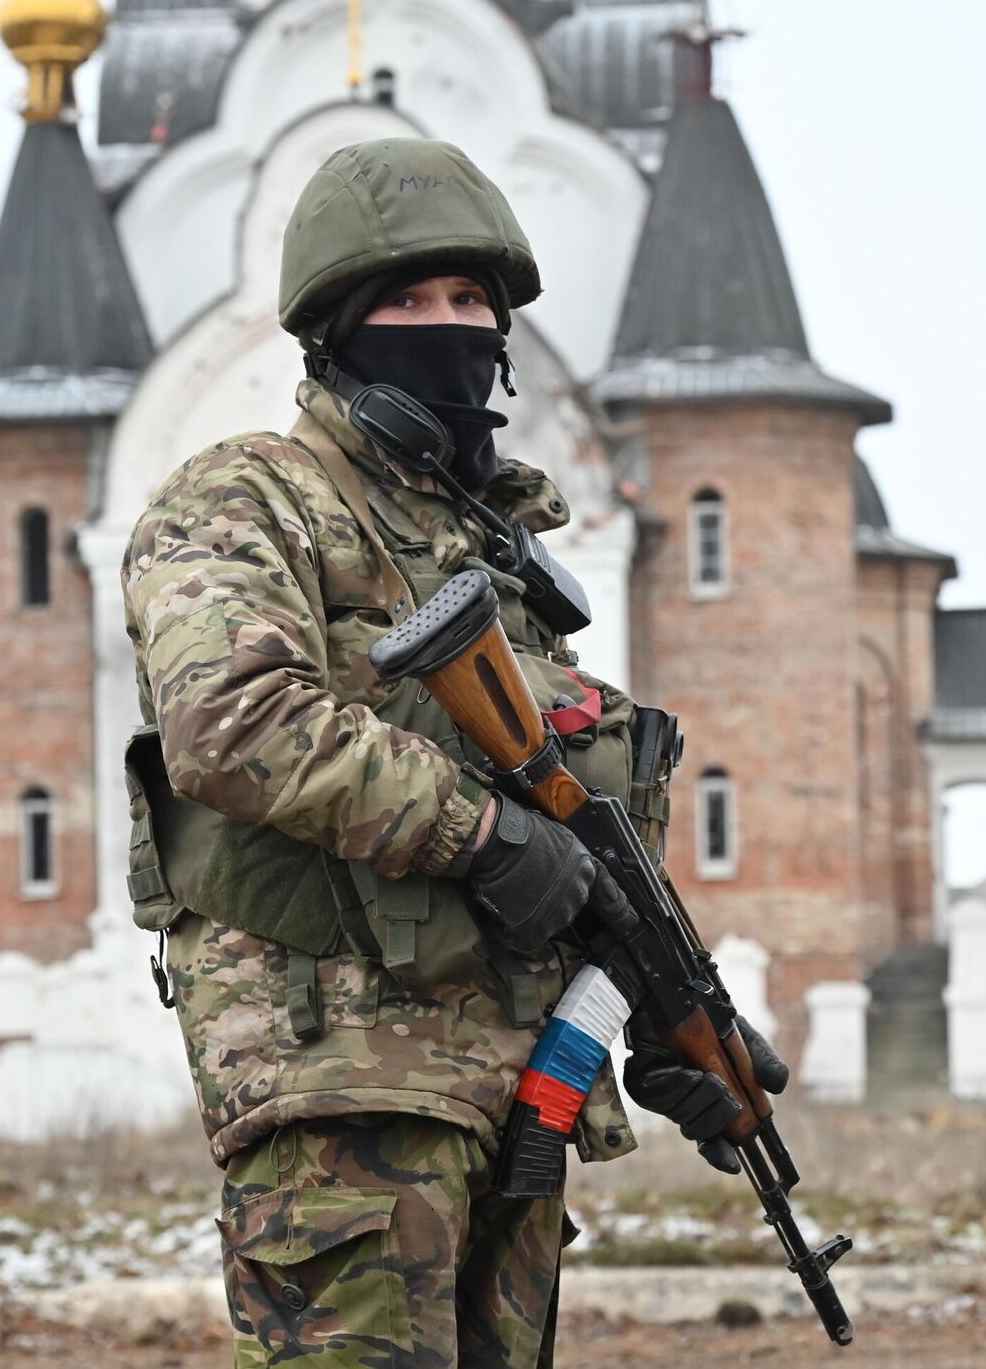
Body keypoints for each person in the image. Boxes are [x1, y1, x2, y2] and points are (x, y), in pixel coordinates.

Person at [120, 137, 786, 1369]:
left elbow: (581, 838)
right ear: (334, 328)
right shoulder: (246, 497)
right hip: (344, 1082)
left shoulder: (500, 555)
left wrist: (669, 1010)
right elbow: (233, 720)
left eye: (470, 300)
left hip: (522, 1086)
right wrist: (475, 830)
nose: (448, 325)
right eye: (407, 300)